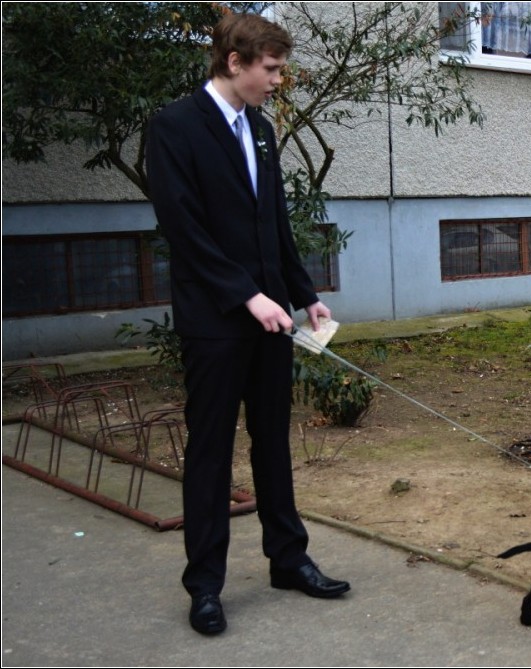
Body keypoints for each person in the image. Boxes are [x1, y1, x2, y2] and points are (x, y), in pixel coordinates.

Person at [146, 13, 349, 636]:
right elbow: (185, 228)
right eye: (271, 69)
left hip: (270, 321)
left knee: (273, 443)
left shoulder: (260, 129)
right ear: (234, 62)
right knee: (210, 453)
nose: (277, 81)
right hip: (216, 324)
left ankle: (288, 559)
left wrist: (302, 293)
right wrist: (245, 296)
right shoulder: (174, 127)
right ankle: (204, 586)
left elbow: (273, 224)